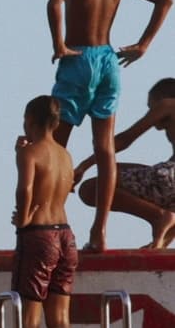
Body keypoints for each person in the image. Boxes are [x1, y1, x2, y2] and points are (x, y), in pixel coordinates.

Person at [47, 0, 172, 251]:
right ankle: (99, 232)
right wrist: (144, 44)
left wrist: (58, 44)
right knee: (104, 149)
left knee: (55, 146)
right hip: (108, 60)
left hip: (78, 58)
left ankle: (52, 223)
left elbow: (54, 3)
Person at [74, 78, 175, 249]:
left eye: (151, 107)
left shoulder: (168, 105)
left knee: (92, 188)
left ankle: (157, 216)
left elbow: (124, 139)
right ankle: (162, 238)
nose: (150, 113)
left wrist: (84, 165)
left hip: (171, 179)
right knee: (115, 169)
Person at [11, 95, 78, 328]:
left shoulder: (29, 153)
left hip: (39, 235)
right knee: (60, 319)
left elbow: (25, 189)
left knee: (28, 318)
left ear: (29, 120)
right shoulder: (65, 156)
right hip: (66, 236)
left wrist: (23, 217)